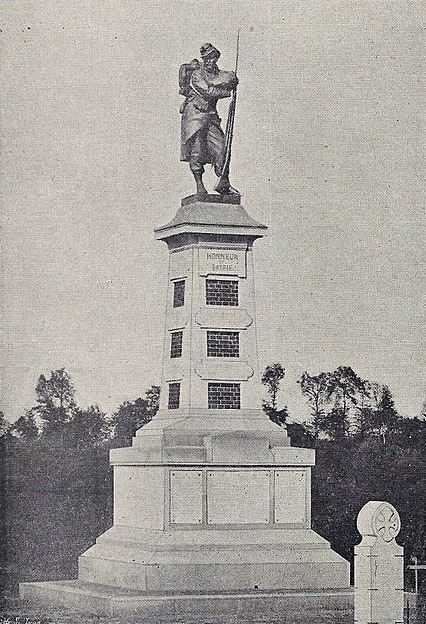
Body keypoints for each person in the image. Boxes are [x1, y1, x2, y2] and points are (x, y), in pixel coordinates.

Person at [180, 43, 239, 196]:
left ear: (216, 58)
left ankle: (224, 183)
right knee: (197, 151)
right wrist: (227, 90)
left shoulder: (217, 74)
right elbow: (208, 91)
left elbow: (228, 77)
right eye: (206, 58)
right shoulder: (197, 75)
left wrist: (232, 79)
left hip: (211, 116)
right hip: (194, 116)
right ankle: (200, 185)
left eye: (212, 58)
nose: (209, 61)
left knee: (222, 149)